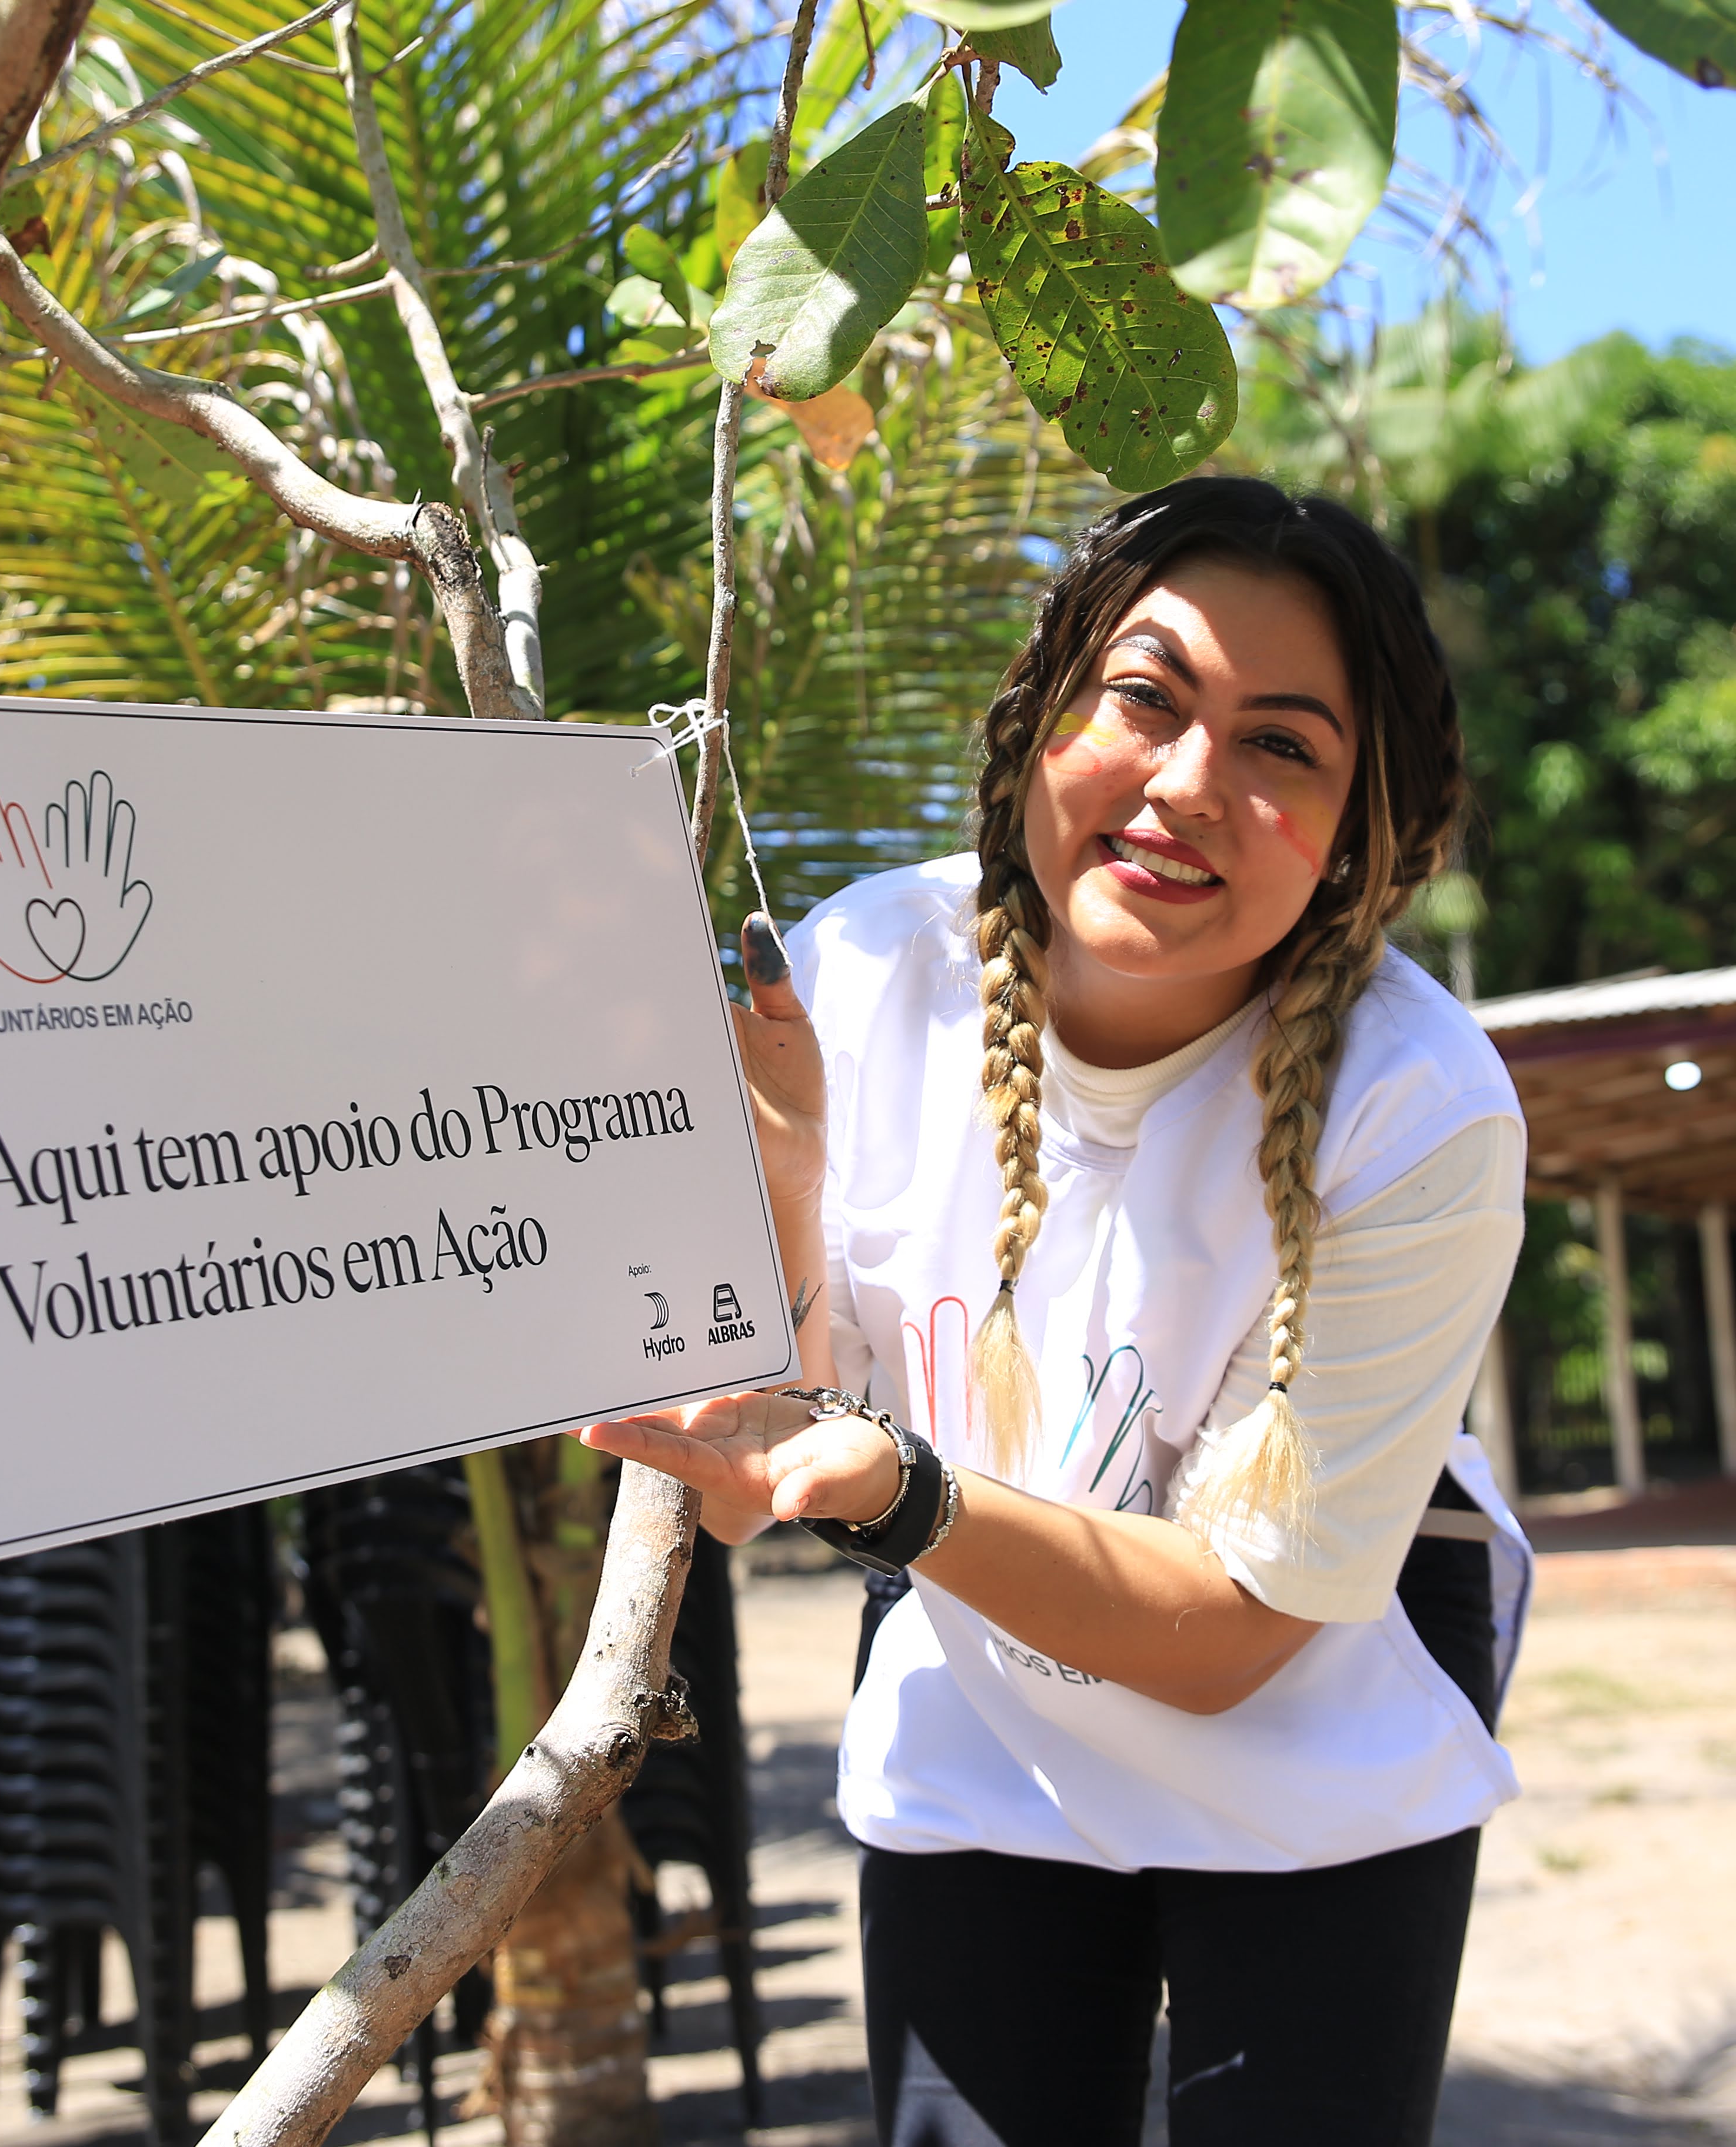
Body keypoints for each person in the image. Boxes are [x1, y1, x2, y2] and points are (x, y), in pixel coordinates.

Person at [581, 478, 1529, 2146]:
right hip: (982, 1772)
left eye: (1284, 748)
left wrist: (898, 1491)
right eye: (1148, 698)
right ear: (1040, 719)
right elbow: (768, 1444)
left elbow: (1236, 1633)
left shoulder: (1420, 1107)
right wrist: (786, 1193)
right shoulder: (867, 976)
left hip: (1320, 1812)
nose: (1187, 786)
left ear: (1364, 833)